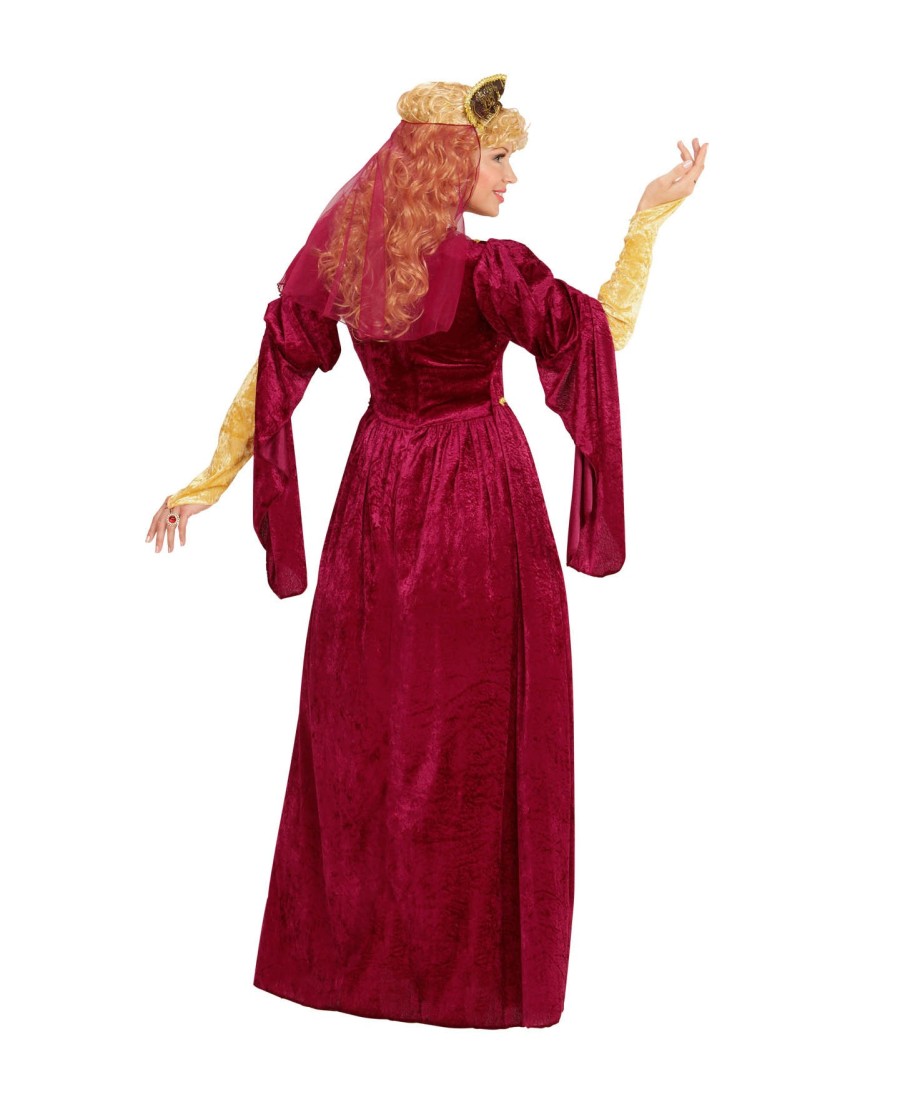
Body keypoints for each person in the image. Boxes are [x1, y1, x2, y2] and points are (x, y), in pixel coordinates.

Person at [146, 75, 707, 1029]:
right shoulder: (492, 272)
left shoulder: (348, 263)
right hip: (479, 505)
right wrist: (647, 221)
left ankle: (364, 964)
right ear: (450, 162)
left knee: (371, 727)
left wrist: (209, 480)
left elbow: (273, 373)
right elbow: (601, 333)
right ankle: (473, 971)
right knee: (479, 729)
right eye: (498, 157)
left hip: (378, 497)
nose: (512, 177)